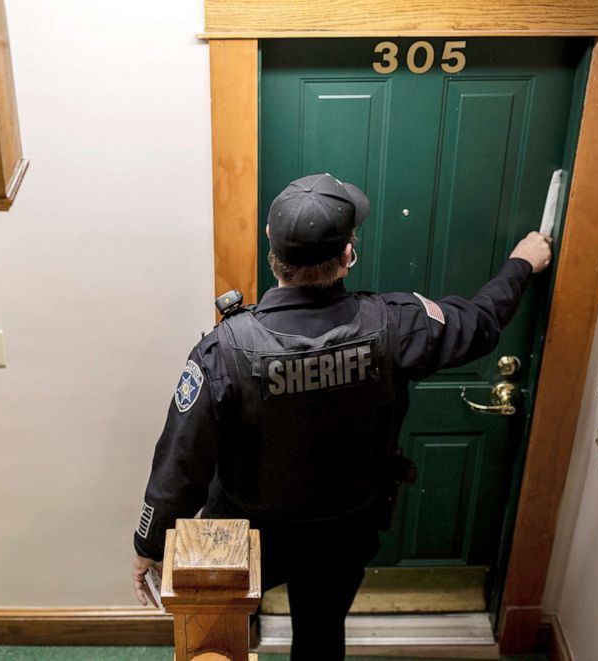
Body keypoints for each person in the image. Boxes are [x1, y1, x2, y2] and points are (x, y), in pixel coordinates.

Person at [131, 173, 552, 660]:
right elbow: (479, 324)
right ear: (348, 254)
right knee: (321, 635)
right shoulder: (399, 324)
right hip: (343, 529)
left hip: (247, 531)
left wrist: (149, 543)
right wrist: (522, 263)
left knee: (219, 641)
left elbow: (181, 460)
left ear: (272, 244)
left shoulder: (222, 351)